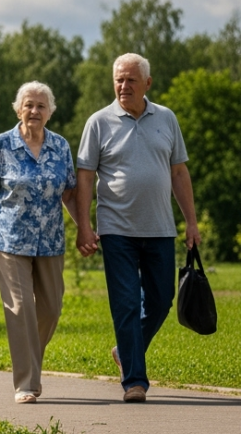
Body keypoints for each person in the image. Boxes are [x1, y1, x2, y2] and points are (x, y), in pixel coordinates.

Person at [75, 53, 201, 403]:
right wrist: (84, 226)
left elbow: (179, 172)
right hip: (116, 230)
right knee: (126, 303)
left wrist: (191, 222)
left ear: (147, 83)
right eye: (118, 79)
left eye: (130, 80)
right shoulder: (99, 122)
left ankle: (124, 351)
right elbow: (84, 177)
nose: (123, 86)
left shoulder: (166, 118)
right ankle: (135, 380)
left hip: (160, 228)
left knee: (161, 300)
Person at [0, 82, 79, 404]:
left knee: (51, 309)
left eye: (41, 106)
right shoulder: (1, 145)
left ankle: (29, 357)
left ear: (50, 112)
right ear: (19, 109)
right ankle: (26, 383)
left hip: (51, 241)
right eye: (28, 105)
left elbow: (69, 194)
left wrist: (85, 229)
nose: (34, 111)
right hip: (9, 240)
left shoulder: (60, 146)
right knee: (21, 308)